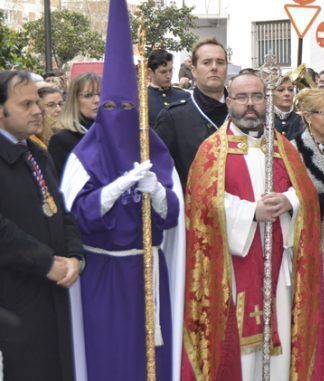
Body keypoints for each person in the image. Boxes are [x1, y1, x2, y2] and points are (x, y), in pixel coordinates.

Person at [60, 1, 185, 379]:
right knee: (111, 355)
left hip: (147, 268)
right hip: (104, 273)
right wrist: (113, 190)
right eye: (109, 105)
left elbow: (175, 213)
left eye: (126, 105)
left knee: (150, 359)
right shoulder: (85, 154)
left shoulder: (153, 147)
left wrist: (158, 193)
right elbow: (75, 216)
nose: (117, 112)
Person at [181, 73, 324, 381]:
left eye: (257, 97)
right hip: (232, 269)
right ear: (229, 101)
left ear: (266, 101)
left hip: (280, 269)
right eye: (242, 97)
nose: (250, 105)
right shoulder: (212, 151)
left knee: (283, 347)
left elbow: (307, 196)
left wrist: (290, 201)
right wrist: (250, 212)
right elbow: (201, 206)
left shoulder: (283, 148)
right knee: (239, 353)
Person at [0, 70, 85, 380]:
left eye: (37, 101)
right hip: (14, 300)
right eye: (25, 104)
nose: (37, 110)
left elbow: (60, 209)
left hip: (53, 291)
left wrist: (76, 255)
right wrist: (45, 262)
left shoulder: (38, 152)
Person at [292, 88, 324, 380]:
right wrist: (322, 202)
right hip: (314, 240)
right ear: (307, 116)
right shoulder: (293, 149)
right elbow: (288, 193)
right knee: (319, 313)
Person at [154, 38, 229, 189]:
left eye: (220, 62)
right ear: (194, 70)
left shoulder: (242, 112)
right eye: (206, 62)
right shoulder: (173, 117)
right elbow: (161, 175)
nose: (214, 67)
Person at [49, 72, 100, 180]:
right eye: (88, 95)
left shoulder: (112, 134)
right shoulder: (62, 140)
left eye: (101, 94)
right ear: (75, 100)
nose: (97, 100)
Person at [147, 49, 190, 126]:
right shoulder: (141, 99)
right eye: (163, 72)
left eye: (170, 70)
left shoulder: (184, 96)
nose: (168, 76)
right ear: (150, 72)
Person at [273, 75, 304, 139]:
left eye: (290, 90)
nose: (287, 93)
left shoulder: (302, 120)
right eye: (281, 90)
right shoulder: (264, 121)